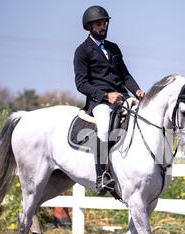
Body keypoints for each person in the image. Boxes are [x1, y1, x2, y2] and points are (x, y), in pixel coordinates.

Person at [74, 5, 145, 194]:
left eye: (105, 22)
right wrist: (106, 95)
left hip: (122, 97)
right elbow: (81, 84)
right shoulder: (82, 51)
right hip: (100, 102)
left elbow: (125, 76)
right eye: (99, 23)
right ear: (90, 26)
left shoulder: (113, 48)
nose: (103, 26)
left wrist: (137, 91)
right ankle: (102, 176)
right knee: (104, 128)